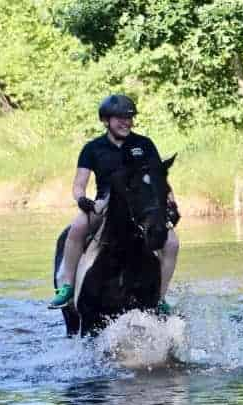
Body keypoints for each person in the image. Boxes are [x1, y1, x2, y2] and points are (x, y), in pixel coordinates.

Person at [49, 94, 181, 314]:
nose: (125, 122)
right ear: (106, 121)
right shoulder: (92, 148)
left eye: (129, 118)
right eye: (119, 118)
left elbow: (159, 178)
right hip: (105, 203)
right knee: (77, 228)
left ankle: (159, 297)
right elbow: (79, 184)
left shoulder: (144, 144)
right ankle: (66, 287)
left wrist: (170, 203)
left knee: (172, 244)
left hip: (139, 206)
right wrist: (82, 199)